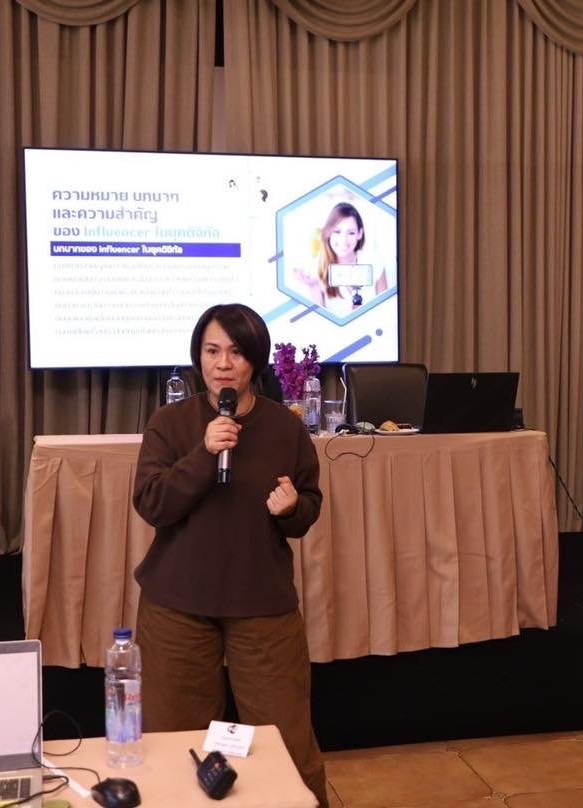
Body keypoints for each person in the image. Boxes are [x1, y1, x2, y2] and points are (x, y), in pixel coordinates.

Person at [131, 303, 327, 806]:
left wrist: (292, 509)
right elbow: (152, 503)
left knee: (288, 740)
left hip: (261, 602)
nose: (222, 363)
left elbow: (308, 505)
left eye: (236, 352)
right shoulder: (171, 422)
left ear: (255, 360)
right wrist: (203, 454)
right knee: (172, 740)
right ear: (198, 357)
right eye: (212, 351)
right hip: (177, 604)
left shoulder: (285, 427)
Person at [293, 202, 391, 314]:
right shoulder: (315, 268)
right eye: (337, 231)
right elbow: (318, 318)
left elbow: (385, 309)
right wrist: (314, 286)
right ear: (328, 232)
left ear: (360, 233)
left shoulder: (374, 262)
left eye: (351, 233)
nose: (343, 240)